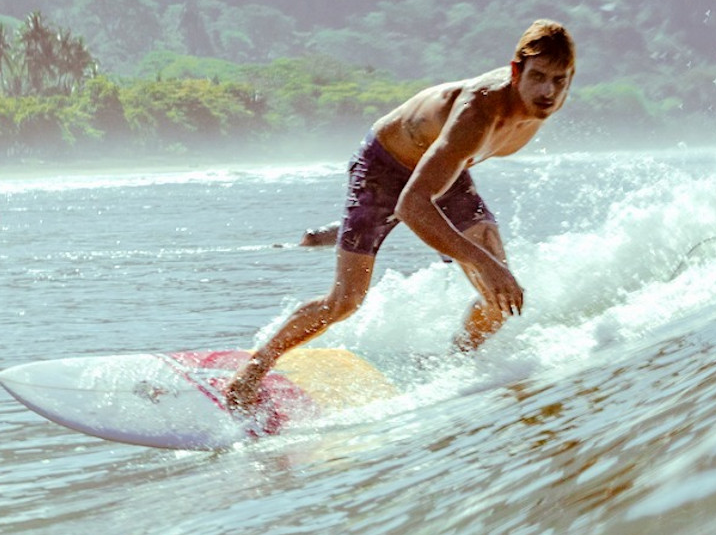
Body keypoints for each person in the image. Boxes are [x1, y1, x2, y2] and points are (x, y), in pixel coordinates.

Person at [224, 20, 575, 408]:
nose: (548, 91)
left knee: (499, 298)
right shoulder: (478, 113)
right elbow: (412, 205)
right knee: (346, 300)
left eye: (559, 81)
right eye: (539, 77)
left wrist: (482, 254)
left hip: (440, 171)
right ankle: (254, 369)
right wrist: (480, 259)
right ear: (515, 71)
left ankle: (456, 366)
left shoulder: (540, 104)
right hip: (384, 168)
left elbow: (435, 182)